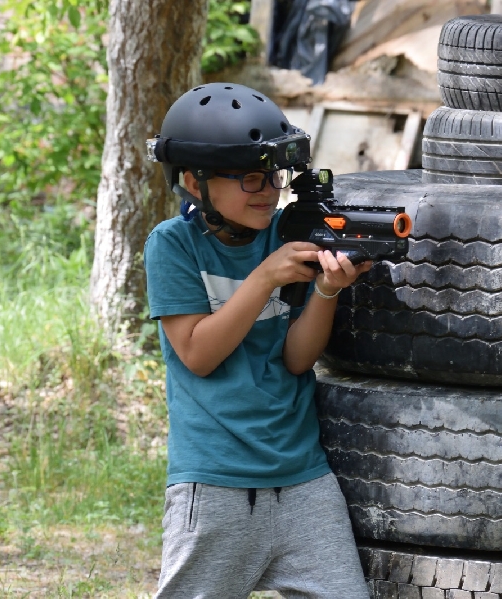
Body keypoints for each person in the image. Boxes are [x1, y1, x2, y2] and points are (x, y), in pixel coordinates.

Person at [143, 82, 372, 599]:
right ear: (194, 184)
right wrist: (264, 277)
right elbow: (198, 354)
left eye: (273, 174)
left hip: (303, 479)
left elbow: (295, 359)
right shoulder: (172, 247)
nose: (267, 189)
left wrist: (326, 289)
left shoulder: (285, 236)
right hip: (216, 481)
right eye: (249, 177)